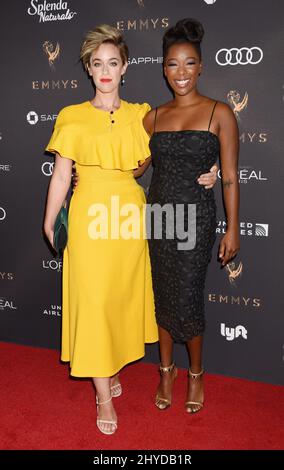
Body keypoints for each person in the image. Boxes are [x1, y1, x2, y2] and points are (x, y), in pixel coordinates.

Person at [43, 25, 161, 435]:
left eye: (113, 63)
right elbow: (61, 176)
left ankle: (108, 368)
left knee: (117, 300)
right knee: (92, 302)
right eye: (98, 64)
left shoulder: (140, 114)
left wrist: (211, 171)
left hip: (127, 217)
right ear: (89, 70)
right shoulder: (71, 116)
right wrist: (49, 217)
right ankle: (104, 396)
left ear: (125, 68)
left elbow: (158, 156)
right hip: (88, 216)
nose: (106, 70)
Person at [143, 18, 240, 414]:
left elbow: (230, 176)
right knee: (163, 294)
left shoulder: (220, 113)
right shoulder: (152, 117)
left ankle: (196, 373)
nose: (180, 73)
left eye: (189, 63)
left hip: (196, 219)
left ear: (200, 66)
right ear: (163, 68)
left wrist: (233, 228)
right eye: (172, 64)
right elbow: (135, 167)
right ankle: (166, 370)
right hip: (159, 216)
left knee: (187, 296)